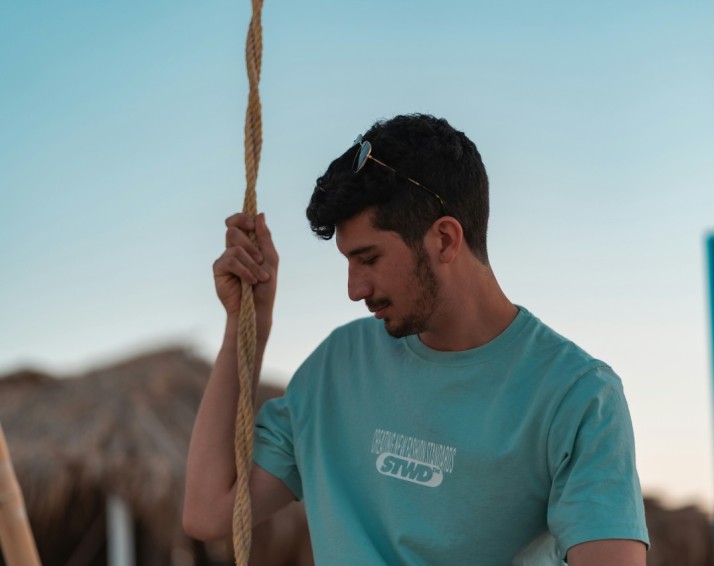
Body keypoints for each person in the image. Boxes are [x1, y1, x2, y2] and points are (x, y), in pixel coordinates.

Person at [184, 114, 650, 565]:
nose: (354, 289)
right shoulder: (337, 367)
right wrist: (246, 328)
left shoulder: (578, 395)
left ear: (445, 240)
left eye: (368, 258)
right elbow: (208, 513)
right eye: (348, 261)